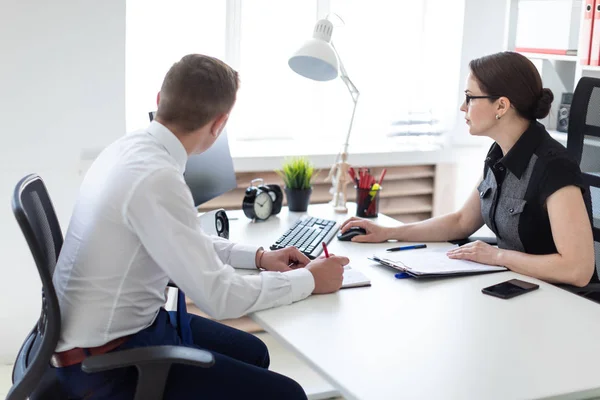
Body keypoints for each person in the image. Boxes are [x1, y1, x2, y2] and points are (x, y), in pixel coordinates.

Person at [51, 54, 349, 399]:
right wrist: (311, 279)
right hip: (107, 364)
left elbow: (185, 240)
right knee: (287, 394)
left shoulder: (129, 149)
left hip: (105, 337)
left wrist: (260, 257)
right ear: (219, 124)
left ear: (160, 100)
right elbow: (221, 298)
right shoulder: (157, 178)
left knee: (255, 352)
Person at [340, 51, 595, 287]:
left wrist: (498, 256)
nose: (463, 107)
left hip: (558, 299)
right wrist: (389, 233)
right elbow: (462, 221)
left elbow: (578, 270)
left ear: (501, 106)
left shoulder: (553, 168)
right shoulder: (499, 154)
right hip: (516, 284)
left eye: (470, 98)